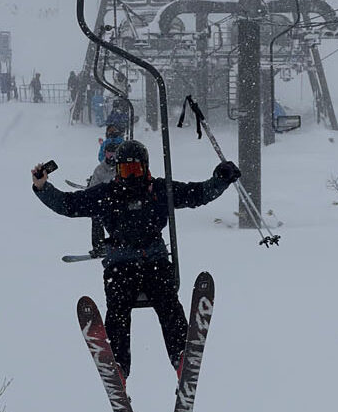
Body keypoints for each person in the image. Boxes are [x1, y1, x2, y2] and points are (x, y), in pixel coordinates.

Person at [30, 141, 241, 379]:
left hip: (154, 262)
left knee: (169, 303)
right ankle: (118, 366)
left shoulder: (160, 190)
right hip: (120, 265)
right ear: (117, 171)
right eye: (125, 171)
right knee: (117, 308)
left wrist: (221, 179)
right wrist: (42, 187)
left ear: (145, 168)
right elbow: (69, 204)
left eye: (135, 171)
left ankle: (182, 356)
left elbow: (197, 194)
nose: (130, 177)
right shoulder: (107, 194)